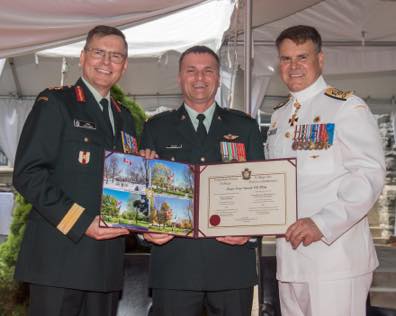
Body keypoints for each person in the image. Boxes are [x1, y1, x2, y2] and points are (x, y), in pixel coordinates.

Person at [13, 25, 138, 316]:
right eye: (99, 53)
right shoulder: (56, 103)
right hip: (60, 260)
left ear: (125, 65)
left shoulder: (125, 118)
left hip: (105, 265)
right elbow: (28, 173)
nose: (106, 62)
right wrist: (81, 222)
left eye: (116, 56)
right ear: (82, 57)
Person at [265, 25, 386, 316]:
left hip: (335, 259)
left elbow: (369, 174)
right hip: (289, 260)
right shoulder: (279, 116)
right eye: (285, 59)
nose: (293, 67)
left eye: (302, 57)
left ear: (320, 59)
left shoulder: (346, 107)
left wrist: (322, 222)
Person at [140, 45, 264, 316]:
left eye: (208, 71)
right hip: (174, 268)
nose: (199, 78)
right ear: (179, 78)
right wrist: (145, 232)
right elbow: (142, 193)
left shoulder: (244, 126)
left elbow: (260, 189)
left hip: (231, 266)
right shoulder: (156, 128)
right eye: (191, 70)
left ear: (218, 78)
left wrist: (251, 232)